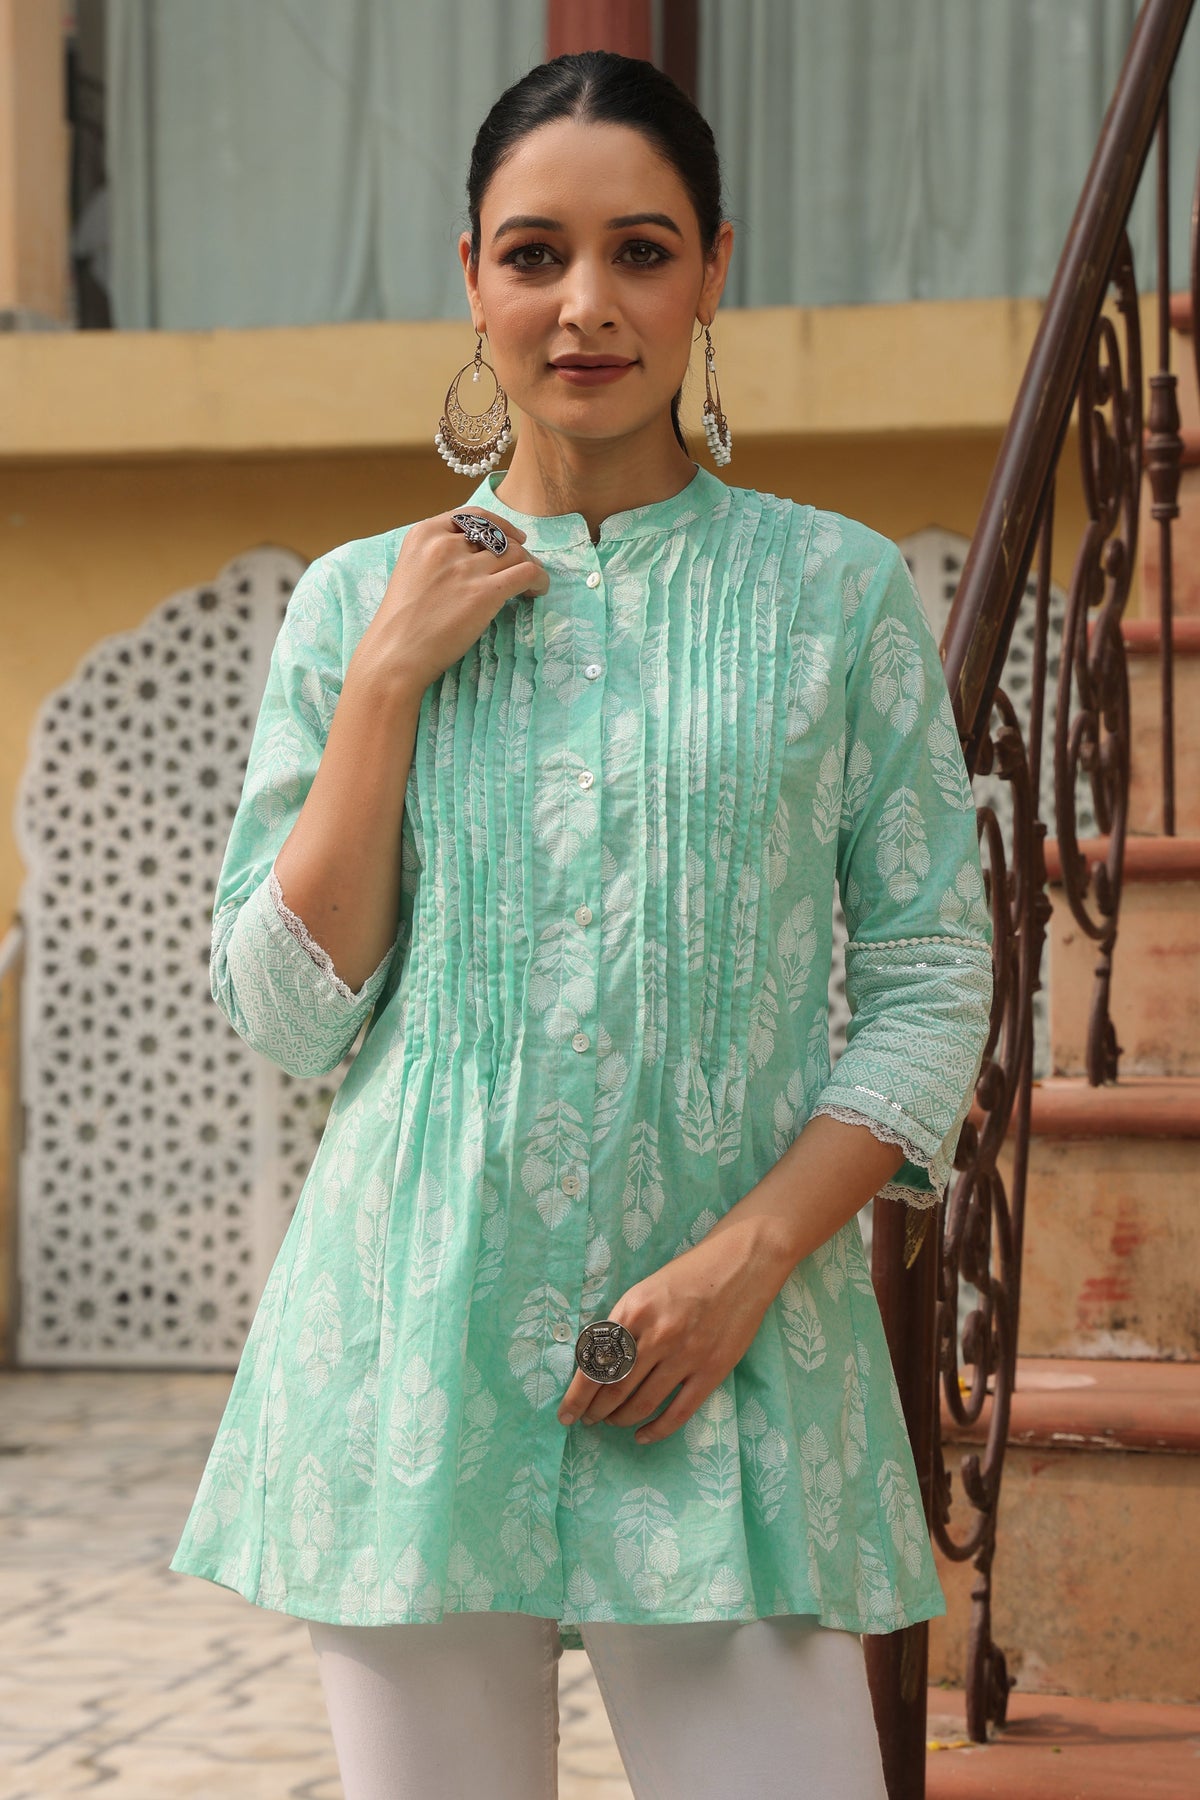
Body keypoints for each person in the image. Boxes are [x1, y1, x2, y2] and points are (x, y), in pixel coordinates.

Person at [169, 48, 994, 1800]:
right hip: (416, 1354)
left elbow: (931, 977)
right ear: (471, 277)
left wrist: (746, 1266)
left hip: (735, 1360)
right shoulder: (354, 604)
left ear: (714, 271)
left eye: (642, 250)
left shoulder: (832, 593)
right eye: (535, 254)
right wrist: (387, 685)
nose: (586, 305)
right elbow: (287, 1015)